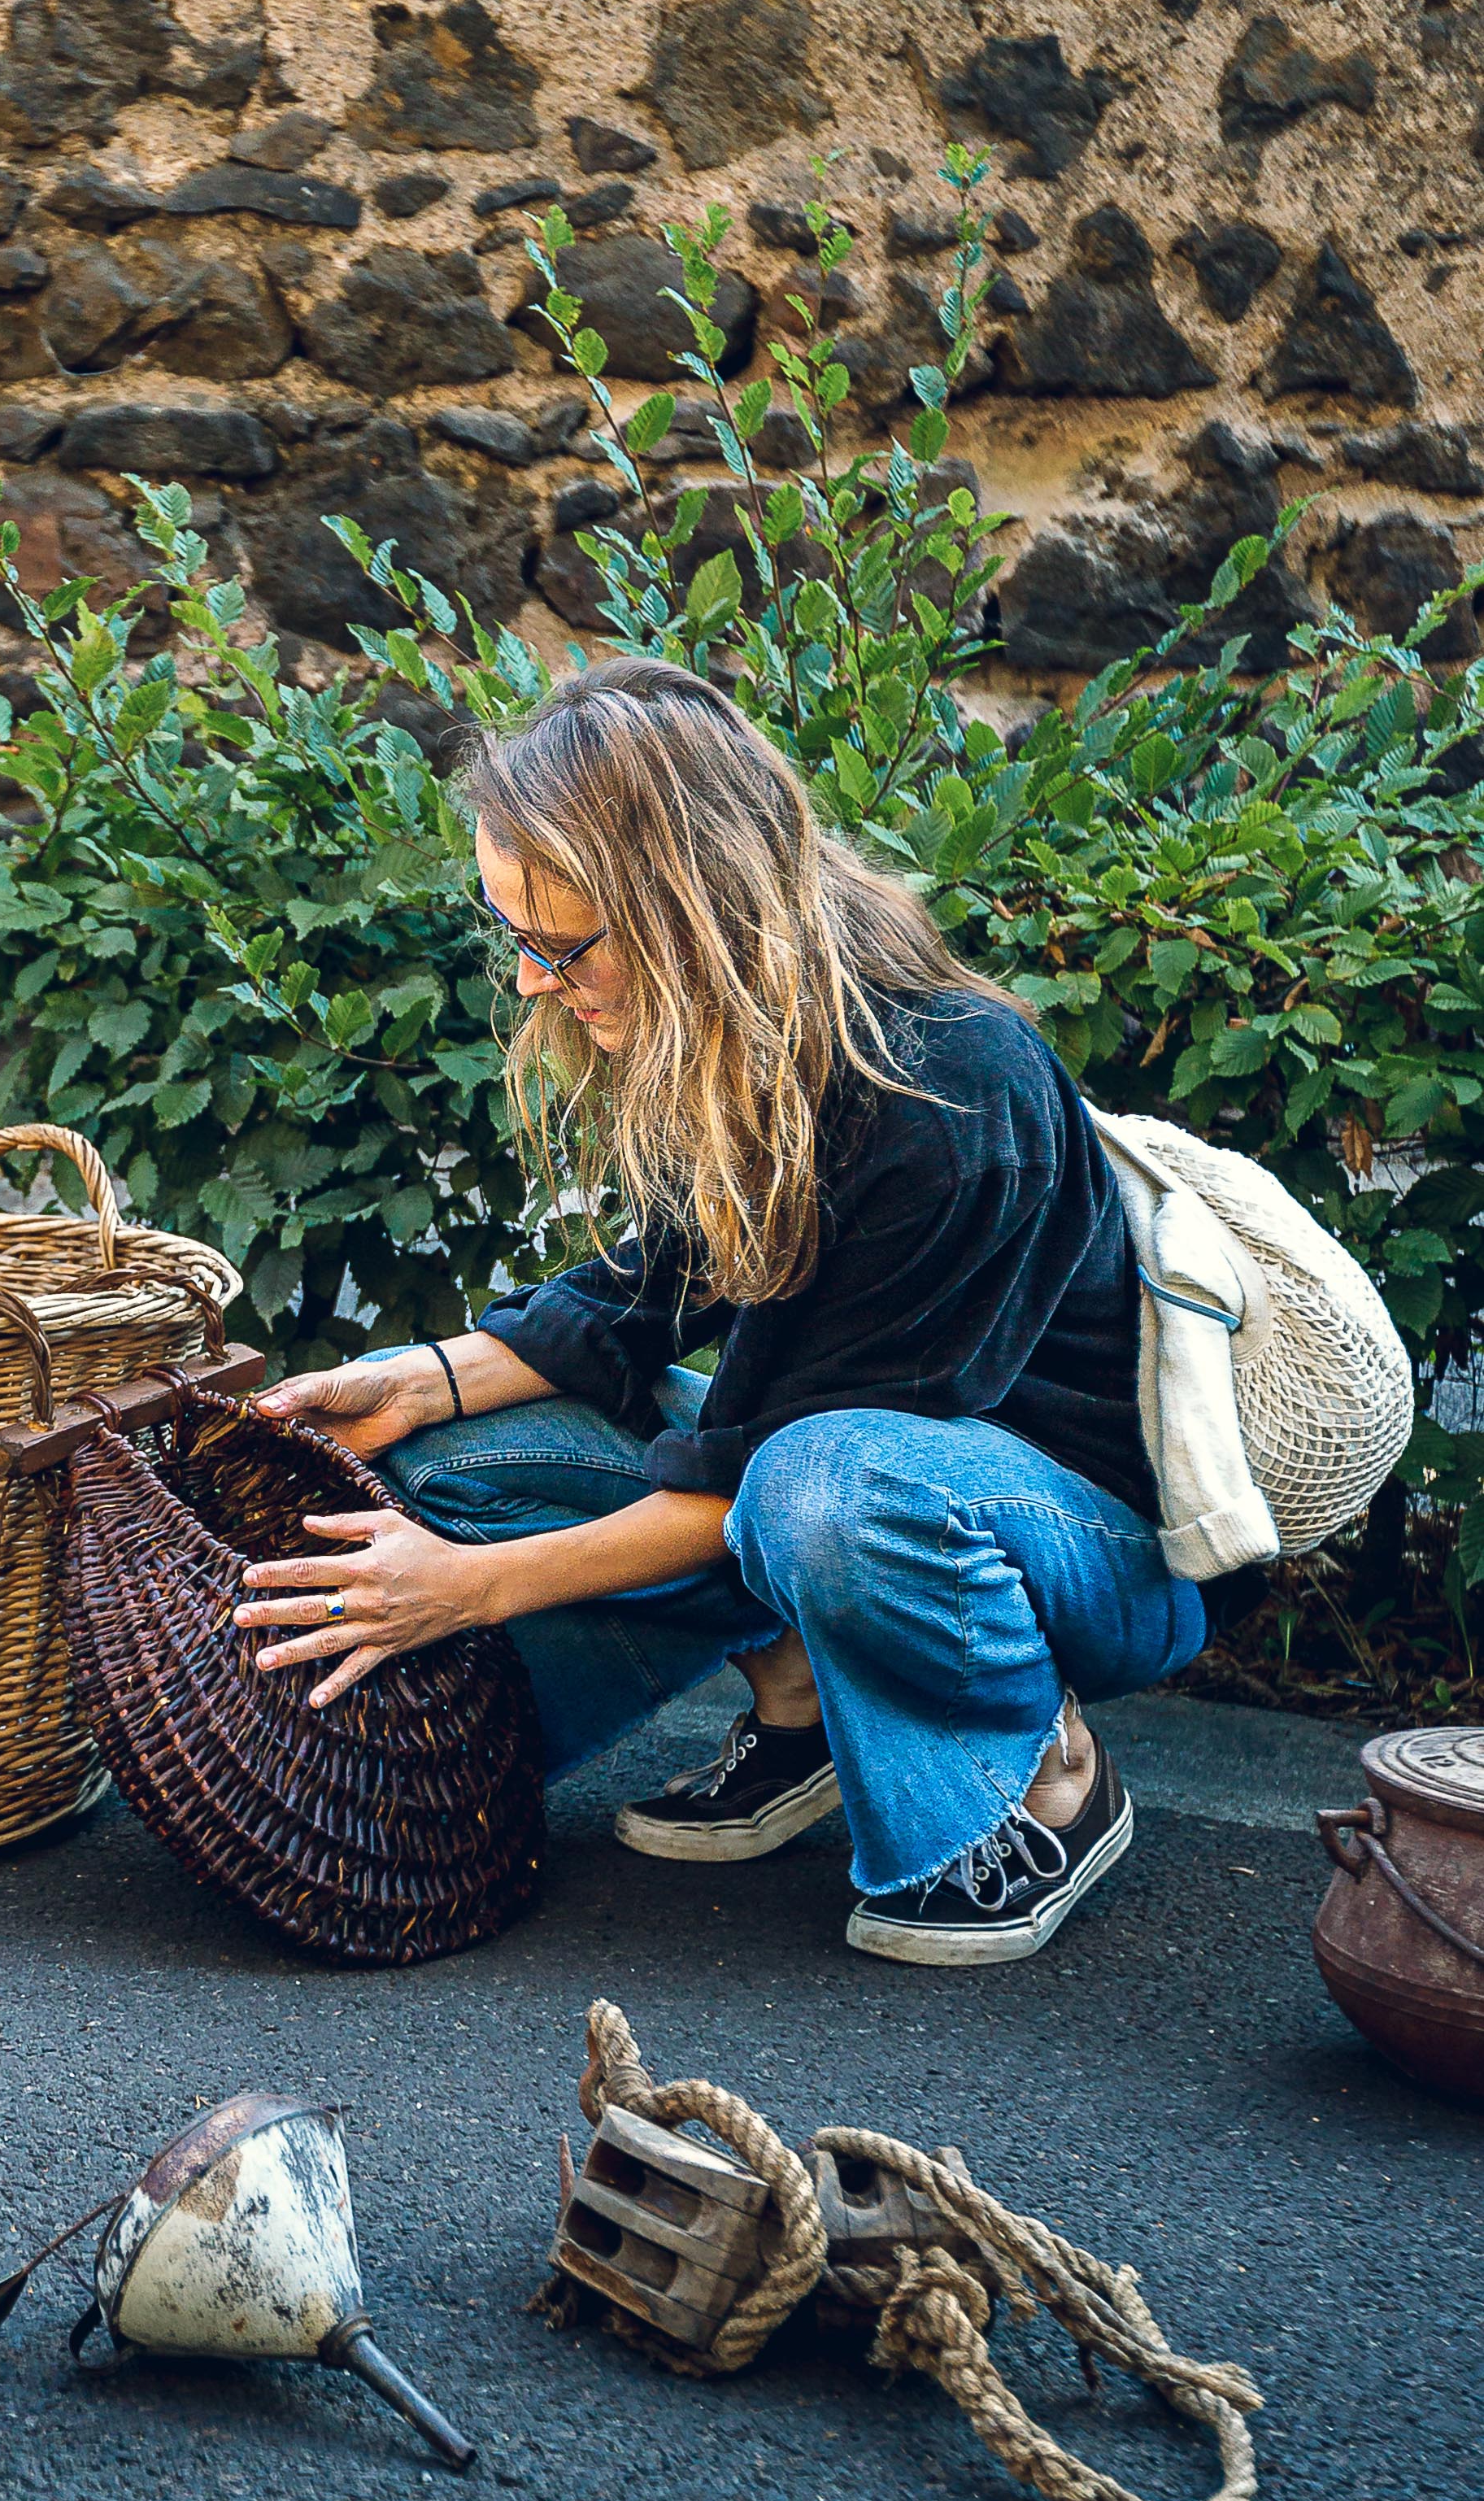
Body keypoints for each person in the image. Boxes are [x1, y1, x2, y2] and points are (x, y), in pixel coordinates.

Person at [237, 656, 1207, 1966]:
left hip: (1085, 1547)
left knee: (825, 1490)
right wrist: (420, 1380)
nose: (529, 981)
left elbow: (760, 1470)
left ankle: (1041, 1781)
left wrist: (464, 1590)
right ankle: (805, 1698)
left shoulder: (947, 1093)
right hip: (831, 1471)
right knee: (443, 1454)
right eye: (513, 936)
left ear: (689, 906)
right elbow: (647, 1295)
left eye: (560, 944)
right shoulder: (755, 1032)